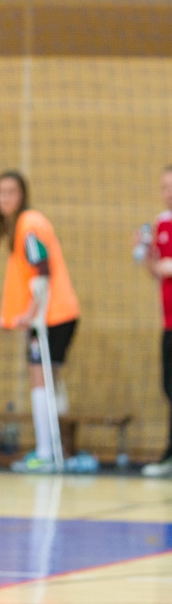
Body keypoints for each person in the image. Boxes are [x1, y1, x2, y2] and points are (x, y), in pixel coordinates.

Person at [0, 170, 80, 472]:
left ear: (22, 194)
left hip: (51, 317)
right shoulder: (20, 226)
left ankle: (49, 452)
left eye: (11, 192)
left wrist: (30, 313)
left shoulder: (28, 224)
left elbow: (43, 270)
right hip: (48, 317)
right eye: (0, 192)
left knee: (43, 384)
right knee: (47, 384)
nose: (5, 198)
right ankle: (53, 451)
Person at [137, 165, 172, 477]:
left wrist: (162, 265)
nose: (169, 193)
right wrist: (146, 252)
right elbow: (156, 270)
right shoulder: (162, 222)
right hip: (168, 322)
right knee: (169, 389)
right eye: (165, 187)